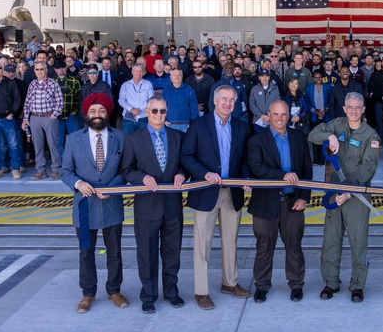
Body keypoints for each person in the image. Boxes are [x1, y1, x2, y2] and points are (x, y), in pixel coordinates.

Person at [180, 85, 251, 310]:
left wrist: (247, 177)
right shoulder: (198, 125)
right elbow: (187, 156)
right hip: (206, 192)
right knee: (203, 243)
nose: (227, 104)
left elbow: (246, 158)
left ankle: (229, 282)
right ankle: (201, 291)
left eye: (231, 100)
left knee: (231, 240)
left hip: (233, 192)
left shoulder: (242, 127)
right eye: (224, 99)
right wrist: (204, 173)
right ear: (214, 100)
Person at [308, 92, 380, 302]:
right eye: (350, 107)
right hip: (333, 192)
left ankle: (357, 285)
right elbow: (313, 134)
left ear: (363, 109)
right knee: (330, 241)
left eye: (358, 107)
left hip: (356, 196)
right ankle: (331, 283)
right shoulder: (336, 125)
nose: (354, 111)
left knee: (358, 242)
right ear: (344, 108)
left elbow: (369, 167)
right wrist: (329, 136)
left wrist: (347, 191)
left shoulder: (371, 135)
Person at [61, 93, 129, 314]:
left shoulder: (121, 137)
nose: (97, 115)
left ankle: (114, 290)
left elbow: (126, 169)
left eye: (101, 110)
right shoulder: (73, 139)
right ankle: (88, 293)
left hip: (111, 204)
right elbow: (65, 171)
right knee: (86, 252)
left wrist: (114, 186)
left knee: (114, 251)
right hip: (84, 206)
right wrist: (79, 183)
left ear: (107, 113)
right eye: (93, 111)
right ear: (86, 114)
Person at [121, 93, 187, 313]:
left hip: (172, 205)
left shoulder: (178, 137)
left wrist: (182, 174)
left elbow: (186, 163)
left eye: (163, 111)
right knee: (146, 253)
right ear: (147, 112)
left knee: (172, 252)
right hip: (147, 207)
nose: (159, 115)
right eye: (155, 111)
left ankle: (171, 291)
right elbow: (127, 170)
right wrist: (142, 178)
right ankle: (148, 295)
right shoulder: (133, 139)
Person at [246, 101, 312, 303]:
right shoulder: (256, 141)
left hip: (292, 202)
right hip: (265, 202)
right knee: (264, 247)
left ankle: (296, 285)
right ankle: (262, 286)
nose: (280, 118)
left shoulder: (299, 138)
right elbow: (257, 168)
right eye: (276, 114)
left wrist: (304, 197)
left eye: (284, 114)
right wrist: (282, 175)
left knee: (294, 246)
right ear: (269, 115)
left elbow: (306, 169)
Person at [22, 60, 64, 181]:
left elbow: (59, 102)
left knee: (53, 144)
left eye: (41, 69)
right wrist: (26, 118)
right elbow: (27, 103)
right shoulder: (32, 84)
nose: (39, 71)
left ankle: (56, 170)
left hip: (48, 117)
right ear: (34, 71)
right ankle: (40, 170)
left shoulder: (53, 84)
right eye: (37, 69)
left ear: (46, 70)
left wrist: (54, 115)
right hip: (35, 118)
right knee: (38, 146)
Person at [118, 63, 153, 135]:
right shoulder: (125, 85)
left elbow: (151, 100)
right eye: (136, 71)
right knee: (128, 140)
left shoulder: (148, 84)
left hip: (143, 117)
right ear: (132, 72)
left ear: (143, 73)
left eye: (140, 71)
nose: (138, 73)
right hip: (128, 119)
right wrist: (131, 109)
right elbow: (121, 100)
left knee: (144, 140)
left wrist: (140, 109)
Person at [161, 67, 199, 133]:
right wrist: (164, 120)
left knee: (186, 143)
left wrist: (192, 122)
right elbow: (161, 107)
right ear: (171, 77)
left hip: (185, 125)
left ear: (182, 76)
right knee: (172, 143)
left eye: (179, 75)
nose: (177, 77)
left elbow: (194, 108)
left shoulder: (189, 90)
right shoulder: (165, 91)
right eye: (174, 75)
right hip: (170, 125)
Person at [248, 69, 281, 134]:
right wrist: (260, 115)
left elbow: (278, 103)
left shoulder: (275, 88)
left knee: (272, 140)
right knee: (259, 140)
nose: (264, 78)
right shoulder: (254, 89)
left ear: (269, 77)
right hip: (258, 120)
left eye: (266, 76)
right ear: (259, 78)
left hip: (272, 119)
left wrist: (270, 116)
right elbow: (251, 104)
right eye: (262, 76)